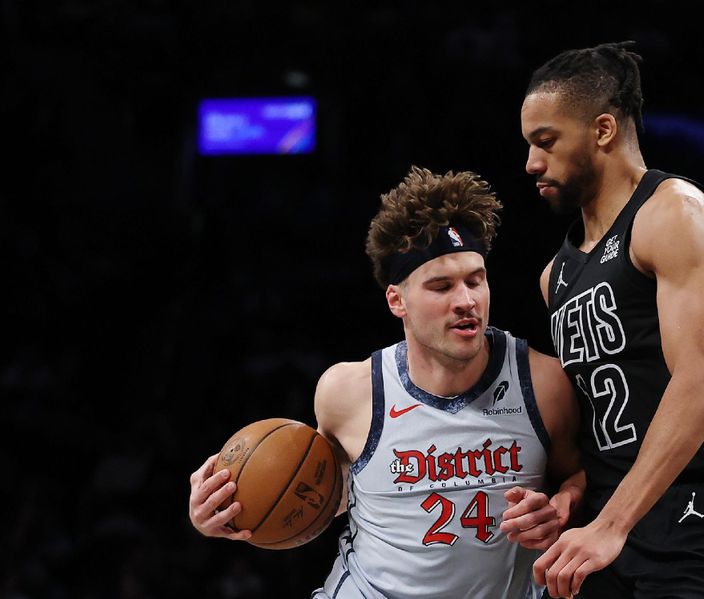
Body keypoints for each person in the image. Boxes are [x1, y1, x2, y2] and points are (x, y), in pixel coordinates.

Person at [189, 166, 585, 598]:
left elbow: (583, 477)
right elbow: (326, 496)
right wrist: (230, 510)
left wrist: (563, 506)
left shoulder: (543, 382)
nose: (466, 301)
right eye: (441, 286)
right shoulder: (348, 392)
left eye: (475, 280)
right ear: (397, 300)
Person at [519, 42, 704, 598]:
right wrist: (571, 494)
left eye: (545, 142)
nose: (531, 163)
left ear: (604, 130)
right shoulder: (554, 277)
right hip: (609, 520)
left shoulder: (672, 213)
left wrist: (611, 524)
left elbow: (703, 379)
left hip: (699, 508)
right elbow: (612, 417)